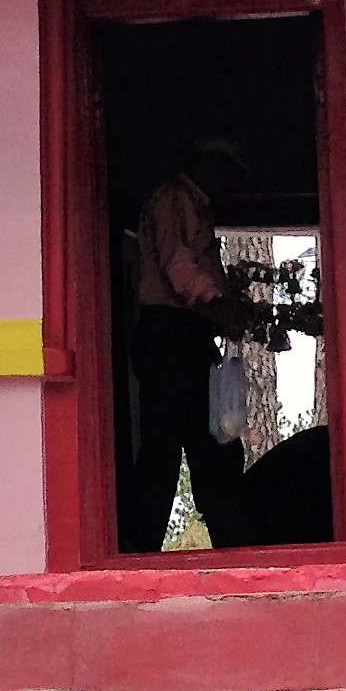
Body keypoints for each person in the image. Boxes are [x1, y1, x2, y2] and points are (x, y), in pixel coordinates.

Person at [120, 137, 248, 551]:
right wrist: (217, 303)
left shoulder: (187, 201)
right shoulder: (176, 200)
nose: (230, 182)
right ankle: (230, 541)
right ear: (207, 164)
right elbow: (180, 266)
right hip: (173, 336)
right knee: (201, 445)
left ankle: (148, 546)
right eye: (227, 169)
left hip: (175, 336)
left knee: (176, 446)